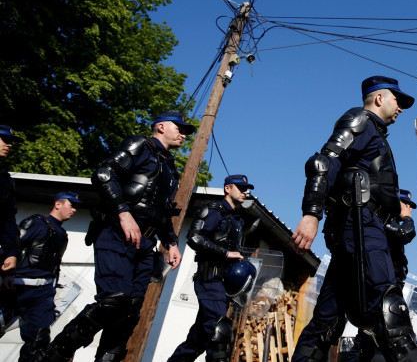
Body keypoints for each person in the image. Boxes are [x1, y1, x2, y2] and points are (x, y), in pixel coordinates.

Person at [36, 111, 195, 362]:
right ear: (161, 127)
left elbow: (161, 211)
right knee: (114, 300)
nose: (184, 134)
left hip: (146, 244)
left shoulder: (170, 167)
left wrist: (172, 242)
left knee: (129, 313)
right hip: (117, 233)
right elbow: (103, 174)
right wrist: (122, 212)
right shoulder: (140, 145)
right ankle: (54, 355)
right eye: (180, 128)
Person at [291, 76, 417, 362]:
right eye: (397, 100)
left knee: (326, 323)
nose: (400, 107)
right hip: (359, 229)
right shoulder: (360, 119)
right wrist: (311, 214)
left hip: (361, 231)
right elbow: (323, 163)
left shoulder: (375, 134)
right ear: (379, 98)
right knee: (390, 313)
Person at [168, 174, 255, 362]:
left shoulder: (237, 219)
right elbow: (195, 238)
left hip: (225, 285)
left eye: (247, 189)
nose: (245, 192)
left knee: (200, 338)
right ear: (227, 188)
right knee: (219, 330)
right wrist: (225, 253)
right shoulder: (213, 210)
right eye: (241, 188)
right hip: (210, 279)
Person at [0, 192, 80, 361]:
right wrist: (6, 274)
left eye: (75, 207)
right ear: (58, 204)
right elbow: (11, 247)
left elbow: (55, 266)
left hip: (42, 293)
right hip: (17, 286)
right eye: (71, 205)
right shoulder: (36, 223)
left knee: (39, 341)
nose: (74, 210)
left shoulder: (62, 235)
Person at [349, 188, 417, 362]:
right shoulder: (382, 218)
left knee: (368, 340)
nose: (408, 208)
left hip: (389, 285)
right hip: (382, 286)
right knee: (396, 336)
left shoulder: (389, 220)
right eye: (405, 204)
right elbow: (405, 234)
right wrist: (407, 218)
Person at [0, 125, 21, 287]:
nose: (9, 145)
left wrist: (11, 253)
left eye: (11, 141)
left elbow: (8, 220)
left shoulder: (6, 181)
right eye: (4, 140)